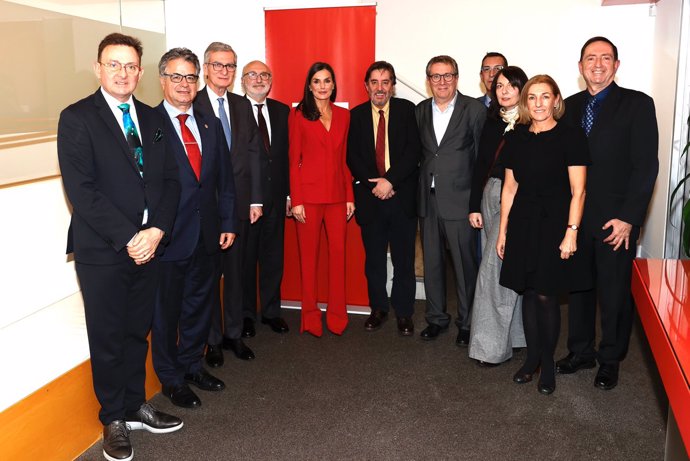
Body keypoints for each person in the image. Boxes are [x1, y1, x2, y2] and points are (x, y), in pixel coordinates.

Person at [57, 33, 182, 461]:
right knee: (108, 335)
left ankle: (133, 406)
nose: (123, 73)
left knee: (136, 331)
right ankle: (112, 416)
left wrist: (157, 231)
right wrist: (131, 237)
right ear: (98, 68)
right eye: (114, 64)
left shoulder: (153, 118)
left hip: (149, 246)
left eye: (130, 66)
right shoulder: (77, 118)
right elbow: (82, 190)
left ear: (141, 72)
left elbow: (170, 181)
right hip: (105, 250)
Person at [556, 36, 659, 390]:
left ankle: (610, 357)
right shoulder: (567, 107)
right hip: (575, 218)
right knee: (579, 289)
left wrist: (630, 217)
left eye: (605, 58)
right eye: (590, 58)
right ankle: (580, 350)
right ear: (580, 65)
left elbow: (646, 166)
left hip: (615, 220)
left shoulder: (638, 105)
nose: (597, 64)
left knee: (614, 292)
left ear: (616, 65)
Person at [153, 47, 237, 409]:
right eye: (177, 76)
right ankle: (170, 378)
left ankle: (191, 365)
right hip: (167, 238)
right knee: (166, 313)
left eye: (190, 77)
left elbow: (224, 181)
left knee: (199, 307)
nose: (184, 84)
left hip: (207, 235)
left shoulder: (209, 123)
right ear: (162, 80)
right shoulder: (147, 124)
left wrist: (228, 220)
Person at [496, 74, 590, 395]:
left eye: (544, 96)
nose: (538, 103)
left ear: (556, 100)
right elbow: (509, 189)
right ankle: (532, 358)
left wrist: (571, 233)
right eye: (532, 97)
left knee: (547, 294)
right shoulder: (516, 137)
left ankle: (548, 362)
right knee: (527, 291)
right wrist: (502, 231)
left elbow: (579, 191)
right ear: (525, 103)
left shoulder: (571, 136)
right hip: (522, 224)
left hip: (554, 226)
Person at [194, 42, 262, 365]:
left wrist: (256, 199)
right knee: (209, 277)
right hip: (207, 208)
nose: (225, 72)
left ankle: (234, 335)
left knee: (236, 274)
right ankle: (213, 341)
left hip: (240, 206)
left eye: (230, 66)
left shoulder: (241, 105)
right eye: (218, 65)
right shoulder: (191, 104)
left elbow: (253, 155)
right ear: (206, 68)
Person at [346, 61, 421, 336]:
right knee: (374, 260)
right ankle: (378, 308)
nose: (380, 87)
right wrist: (374, 185)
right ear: (366, 86)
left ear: (393, 86)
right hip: (371, 198)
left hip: (401, 198)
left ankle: (404, 312)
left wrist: (390, 181)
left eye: (385, 82)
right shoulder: (354, 116)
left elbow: (414, 152)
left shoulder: (408, 111)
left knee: (404, 260)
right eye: (374, 82)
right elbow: (352, 157)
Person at [416, 55, 486, 345]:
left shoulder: (474, 109)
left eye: (447, 76)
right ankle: (436, 318)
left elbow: (482, 159)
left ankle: (467, 323)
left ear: (456, 78)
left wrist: (476, 203)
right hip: (427, 199)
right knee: (431, 263)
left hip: (460, 199)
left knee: (464, 266)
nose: (442, 82)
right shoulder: (419, 110)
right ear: (428, 80)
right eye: (436, 76)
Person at [468, 66, 528, 366]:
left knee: (492, 270)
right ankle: (515, 337)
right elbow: (480, 163)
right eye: (499, 85)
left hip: (516, 198)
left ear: (522, 89)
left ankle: (489, 347)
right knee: (505, 265)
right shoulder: (493, 122)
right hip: (489, 194)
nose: (503, 90)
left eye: (511, 86)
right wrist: (473, 205)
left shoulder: (532, 122)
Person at [289, 62, 355, 337]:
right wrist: (297, 199)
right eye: (317, 81)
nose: (323, 86)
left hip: (338, 197)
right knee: (309, 259)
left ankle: (337, 316)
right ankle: (310, 317)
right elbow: (294, 161)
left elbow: (344, 161)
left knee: (338, 257)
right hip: (309, 197)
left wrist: (350, 196)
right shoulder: (298, 115)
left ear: (333, 84)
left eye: (327, 80)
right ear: (309, 85)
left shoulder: (344, 115)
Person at [240, 60, 291, 335]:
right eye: (252, 75)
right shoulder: (234, 110)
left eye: (264, 75)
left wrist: (289, 194)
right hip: (247, 201)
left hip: (276, 197)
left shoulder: (282, 111)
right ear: (243, 81)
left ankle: (271, 312)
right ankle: (246, 315)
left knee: (273, 258)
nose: (259, 79)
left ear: (271, 80)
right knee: (247, 260)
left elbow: (288, 157)